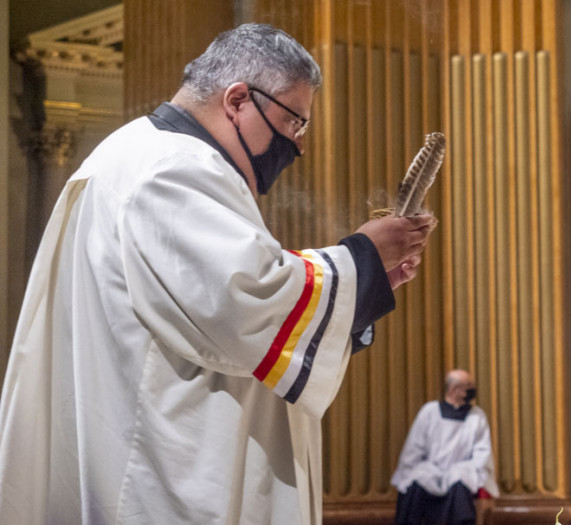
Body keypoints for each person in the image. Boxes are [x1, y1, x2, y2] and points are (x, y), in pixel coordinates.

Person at [0, 24, 435, 524]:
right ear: (238, 100)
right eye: (296, 123)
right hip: (171, 475)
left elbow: (218, 305)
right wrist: (361, 258)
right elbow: (246, 302)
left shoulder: (141, 155)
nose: (299, 146)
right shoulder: (171, 169)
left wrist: (363, 283)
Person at [391, 369, 499, 525]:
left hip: (462, 471)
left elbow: (482, 453)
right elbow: (414, 449)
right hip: (430, 470)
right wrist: (423, 469)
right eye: (467, 386)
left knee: (460, 481)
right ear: (453, 389)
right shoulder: (430, 411)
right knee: (416, 479)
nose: (472, 389)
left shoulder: (477, 415)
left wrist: (461, 470)